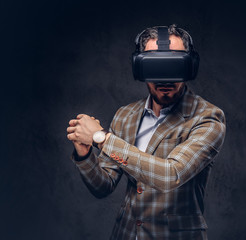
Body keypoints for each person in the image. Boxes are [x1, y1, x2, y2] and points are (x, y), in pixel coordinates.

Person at [67, 24, 226, 240]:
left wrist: (101, 139)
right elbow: (103, 186)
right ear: (139, 68)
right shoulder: (125, 115)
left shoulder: (208, 118)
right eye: (155, 66)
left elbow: (171, 174)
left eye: (174, 65)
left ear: (190, 67)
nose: (165, 79)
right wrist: (85, 154)